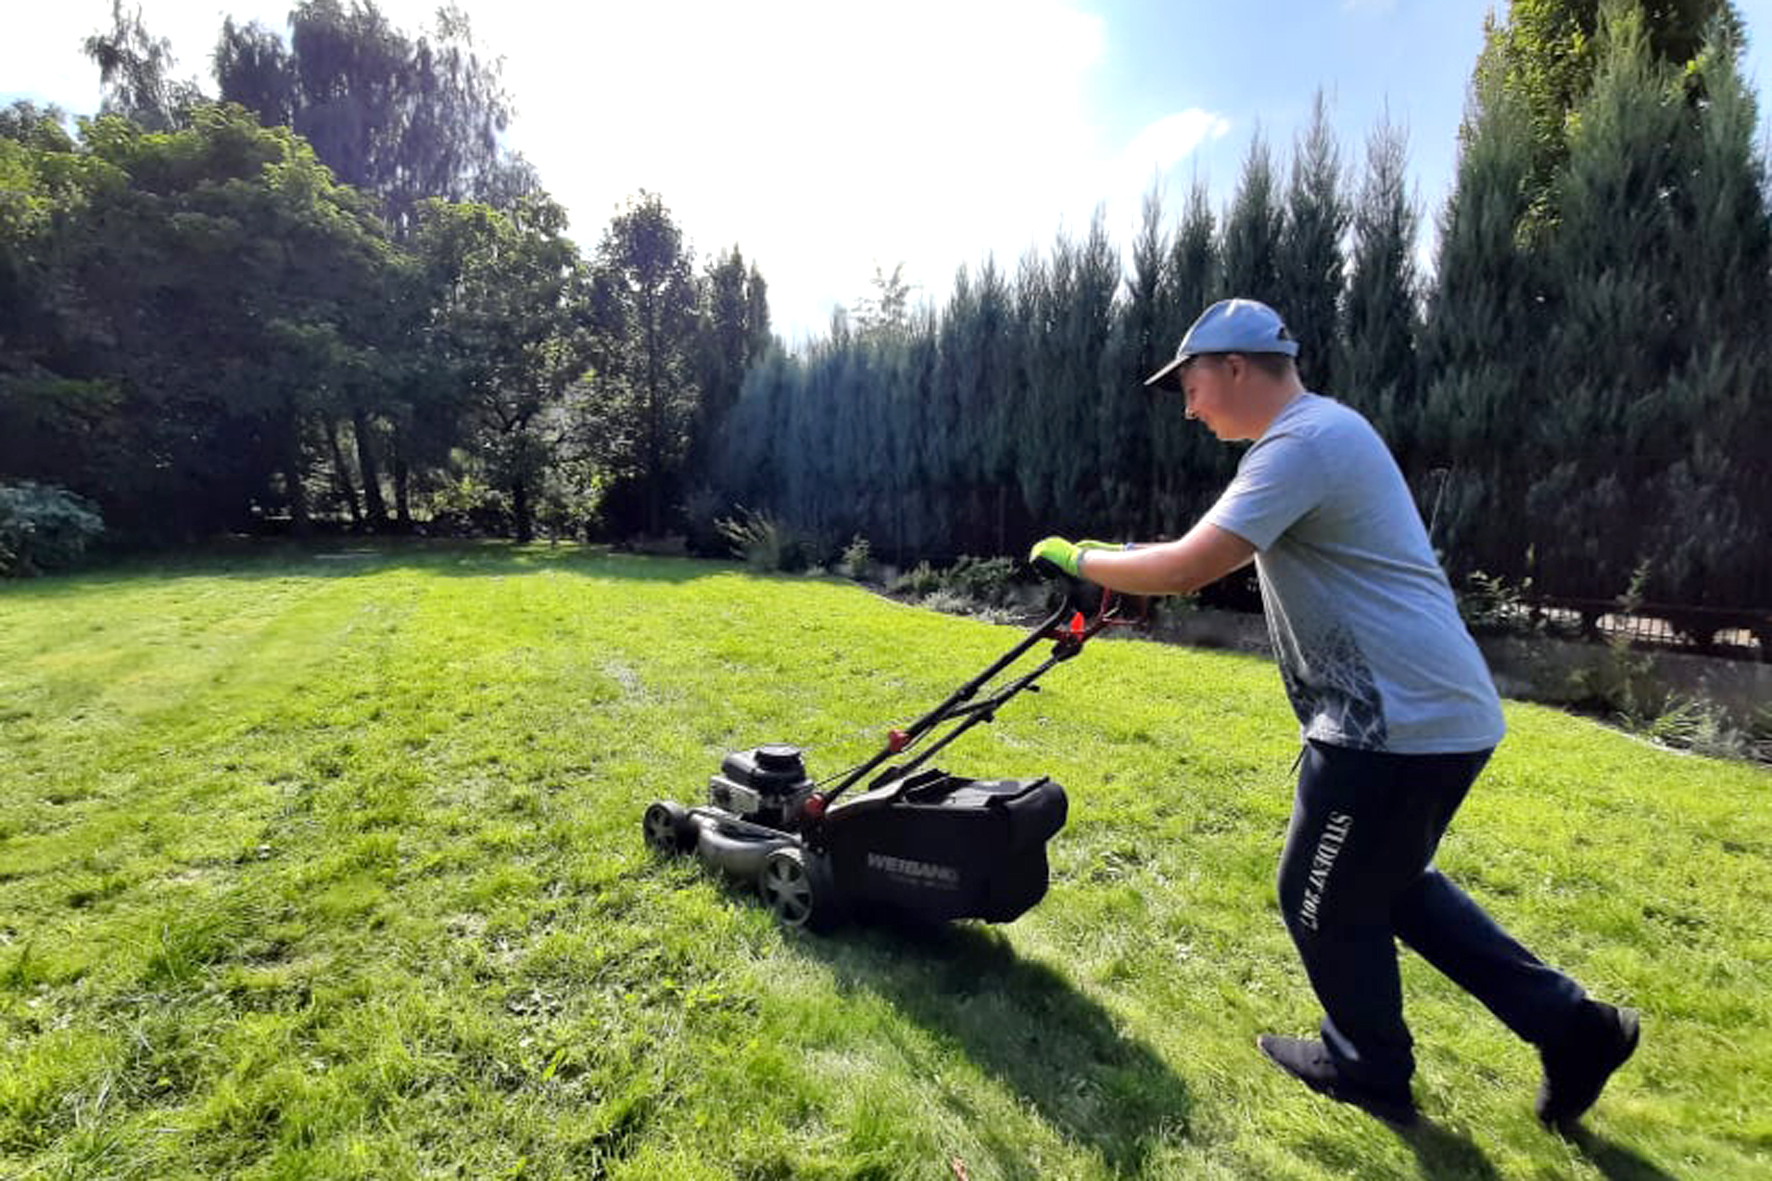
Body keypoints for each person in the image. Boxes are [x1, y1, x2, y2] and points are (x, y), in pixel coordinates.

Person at [1029, 298, 1638, 1130]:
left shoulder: (1302, 443)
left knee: (1315, 895)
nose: (1190, 405)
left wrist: (1081, 556)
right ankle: (1577, 1029)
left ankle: (1368, 1066)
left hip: (1392, 724)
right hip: (1430, 715)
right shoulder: (1318, 436)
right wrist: (1120, 556)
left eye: (1193, 384)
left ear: (1236, 365)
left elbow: (1190, 567)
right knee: (1388, 888)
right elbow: (1194, 547)